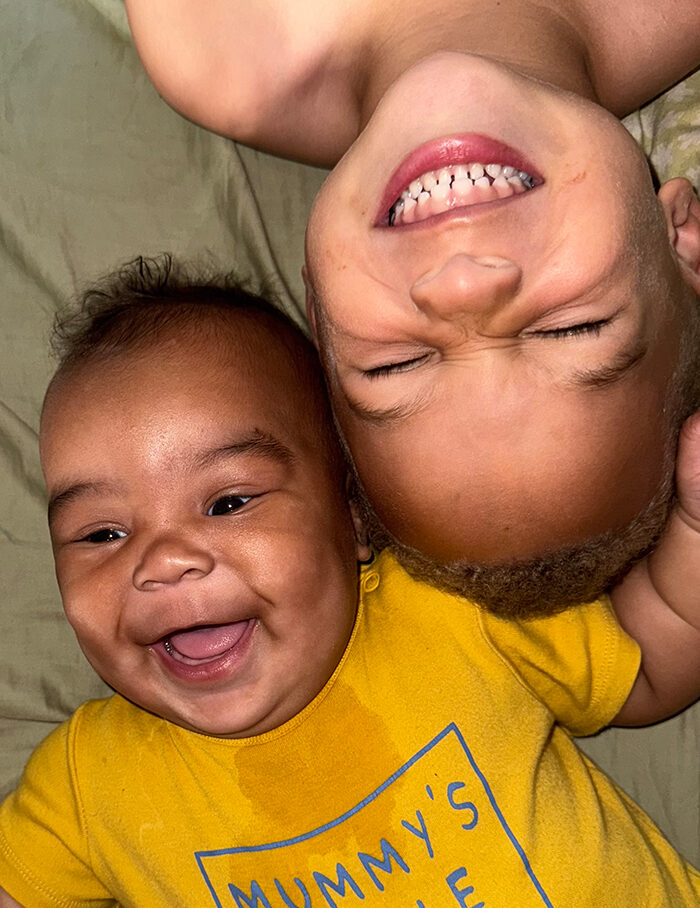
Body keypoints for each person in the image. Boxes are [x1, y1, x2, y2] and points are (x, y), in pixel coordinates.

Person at [1, 258, 700, 906]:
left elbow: (649, 660)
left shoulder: (451, 610)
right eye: (101, 535)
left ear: (355, 515)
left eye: (228, 503)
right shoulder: (88, 788)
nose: (159, 562)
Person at [119, 0, 700, 614]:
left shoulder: (211, 42)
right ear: (680, 236)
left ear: (320, 309)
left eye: (399, 364)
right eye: (574, 326)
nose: (460, 286)